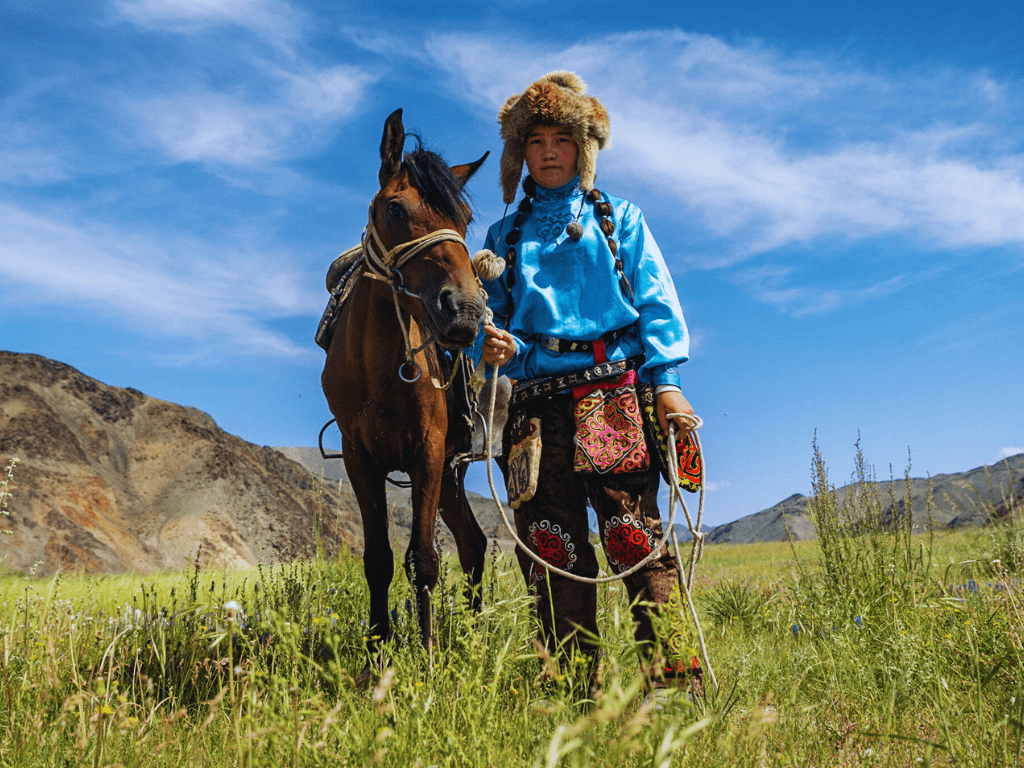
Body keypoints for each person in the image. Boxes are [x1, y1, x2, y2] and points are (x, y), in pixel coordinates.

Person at [472, 71, 700, 692]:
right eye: (536, 140)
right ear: (520, 154)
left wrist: (668, 382)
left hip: (614, 399)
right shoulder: (501, 239)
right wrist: (492, 345)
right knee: (551, 552)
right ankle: (579, 697)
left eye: (562, 139)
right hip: (534, 411)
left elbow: (655, 302)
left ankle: (677, 688)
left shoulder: (619, 219)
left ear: (585, 149)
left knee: (635, 539)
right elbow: (483, 322)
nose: (548, 151)